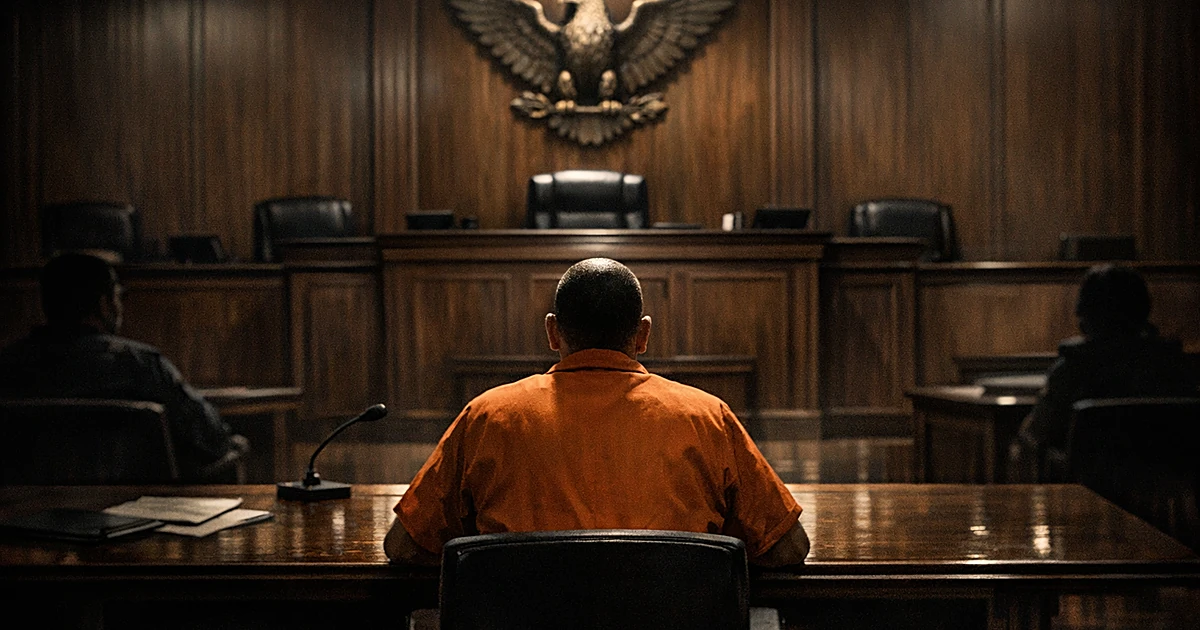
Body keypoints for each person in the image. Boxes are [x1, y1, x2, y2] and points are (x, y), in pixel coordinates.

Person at [385, 257, 809, 567]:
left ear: (553, 332)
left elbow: (404, 546)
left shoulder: (488, 415)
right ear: (642, 334)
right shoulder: (706, 417)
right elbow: (789, 548)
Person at [0, 252, 248, 482]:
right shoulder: (139, 363)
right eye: (118, 296)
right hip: (138, 515)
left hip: (27, 518)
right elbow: (210, 437)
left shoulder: (8, 363)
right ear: (104, 303)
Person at [1006, 264, 1197, 483]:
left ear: (1086, 315)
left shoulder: (1074, 368)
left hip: (1087, 484)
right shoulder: (1172, 364)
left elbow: (1039, 431)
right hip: (1164, 484)